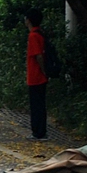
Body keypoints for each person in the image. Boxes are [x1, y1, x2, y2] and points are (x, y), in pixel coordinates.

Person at [24, 9, 48, 140]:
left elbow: (38, 56)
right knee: (40, 104)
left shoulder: (33, 36)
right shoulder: (40, 33)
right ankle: (41, 131)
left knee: (36, 106)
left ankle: (38, 132)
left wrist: (43, 71)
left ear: (29, 20)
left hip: (36, 77)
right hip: (40, 77)